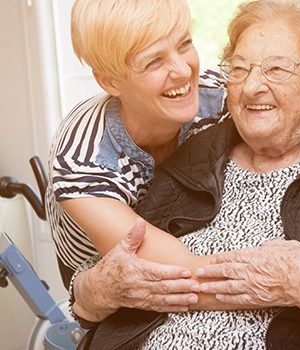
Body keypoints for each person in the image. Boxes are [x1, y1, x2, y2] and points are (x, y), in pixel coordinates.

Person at [78, 0, 300, 349]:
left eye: (277, 69)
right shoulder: (188, 159)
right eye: (239, 69)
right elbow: (102, 284)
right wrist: (89, 289)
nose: (251, 87)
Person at [45, 0, 229, 321]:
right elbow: (184, 276)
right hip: (97, 264)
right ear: (110, 81)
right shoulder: (84, 158)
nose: (185, 71)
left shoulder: (215, 94)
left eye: (184, 44)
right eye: (154, 61)